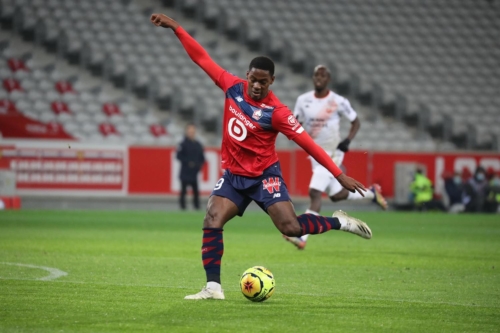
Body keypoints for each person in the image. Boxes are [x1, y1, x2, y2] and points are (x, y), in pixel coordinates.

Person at [151, 13, 372, 301]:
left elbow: (308, 144)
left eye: (263, 82)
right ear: (247, 75)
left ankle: (340, 222)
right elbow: (202, 58)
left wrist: (338, 173)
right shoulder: (231, 86)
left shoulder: (277, 113)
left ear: (272, 81)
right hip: (233, 177)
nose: (257, 86)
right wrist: (177, 28)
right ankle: (213, 288)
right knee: (212, 218)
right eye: (253, 80)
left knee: (291, 227)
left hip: (264, 177)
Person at [283, 65, 387, 250]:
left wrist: (347, 140)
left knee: (315, 192)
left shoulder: (338, 101)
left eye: (323, 75)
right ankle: (372, 193)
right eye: (316, 74)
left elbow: (355, 121)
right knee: (337, 195)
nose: (319, 78)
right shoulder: (303, 100)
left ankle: (302, 237)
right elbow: (294, 122)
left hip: (332, 153)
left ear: (328, 79)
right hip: (314, 154)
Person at [176, 124, 205, 210]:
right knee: (183, 191)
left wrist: (198, 165)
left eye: (192, 131)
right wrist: (188, 162)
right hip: (185, 171)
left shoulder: (198, 144)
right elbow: (178, 156)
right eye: (189, 131)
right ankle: (183, 207)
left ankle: (196, 206)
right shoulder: (183, 144)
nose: (191, 133)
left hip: (194, 172)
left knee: (195, 191)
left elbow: (202, 158)